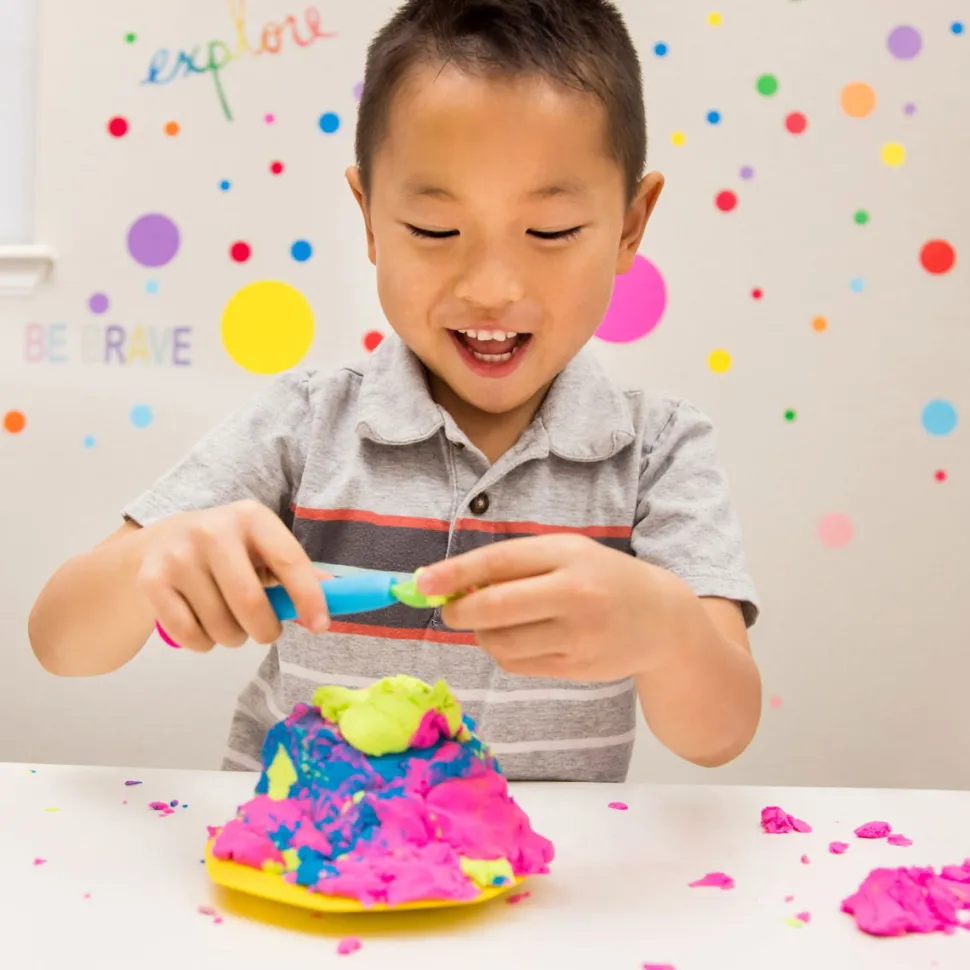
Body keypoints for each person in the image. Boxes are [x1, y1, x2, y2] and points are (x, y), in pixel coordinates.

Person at [29, 0, 761, 782]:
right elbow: (60, 643)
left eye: (550, 232)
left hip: (540, 862)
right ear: (371, 219)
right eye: (435, 231)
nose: (492, 288)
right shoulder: (307, 423)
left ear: (629, 227)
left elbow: (718, 736)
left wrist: (669, 630)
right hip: (303, 845)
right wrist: (154, 556)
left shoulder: (657, 451)